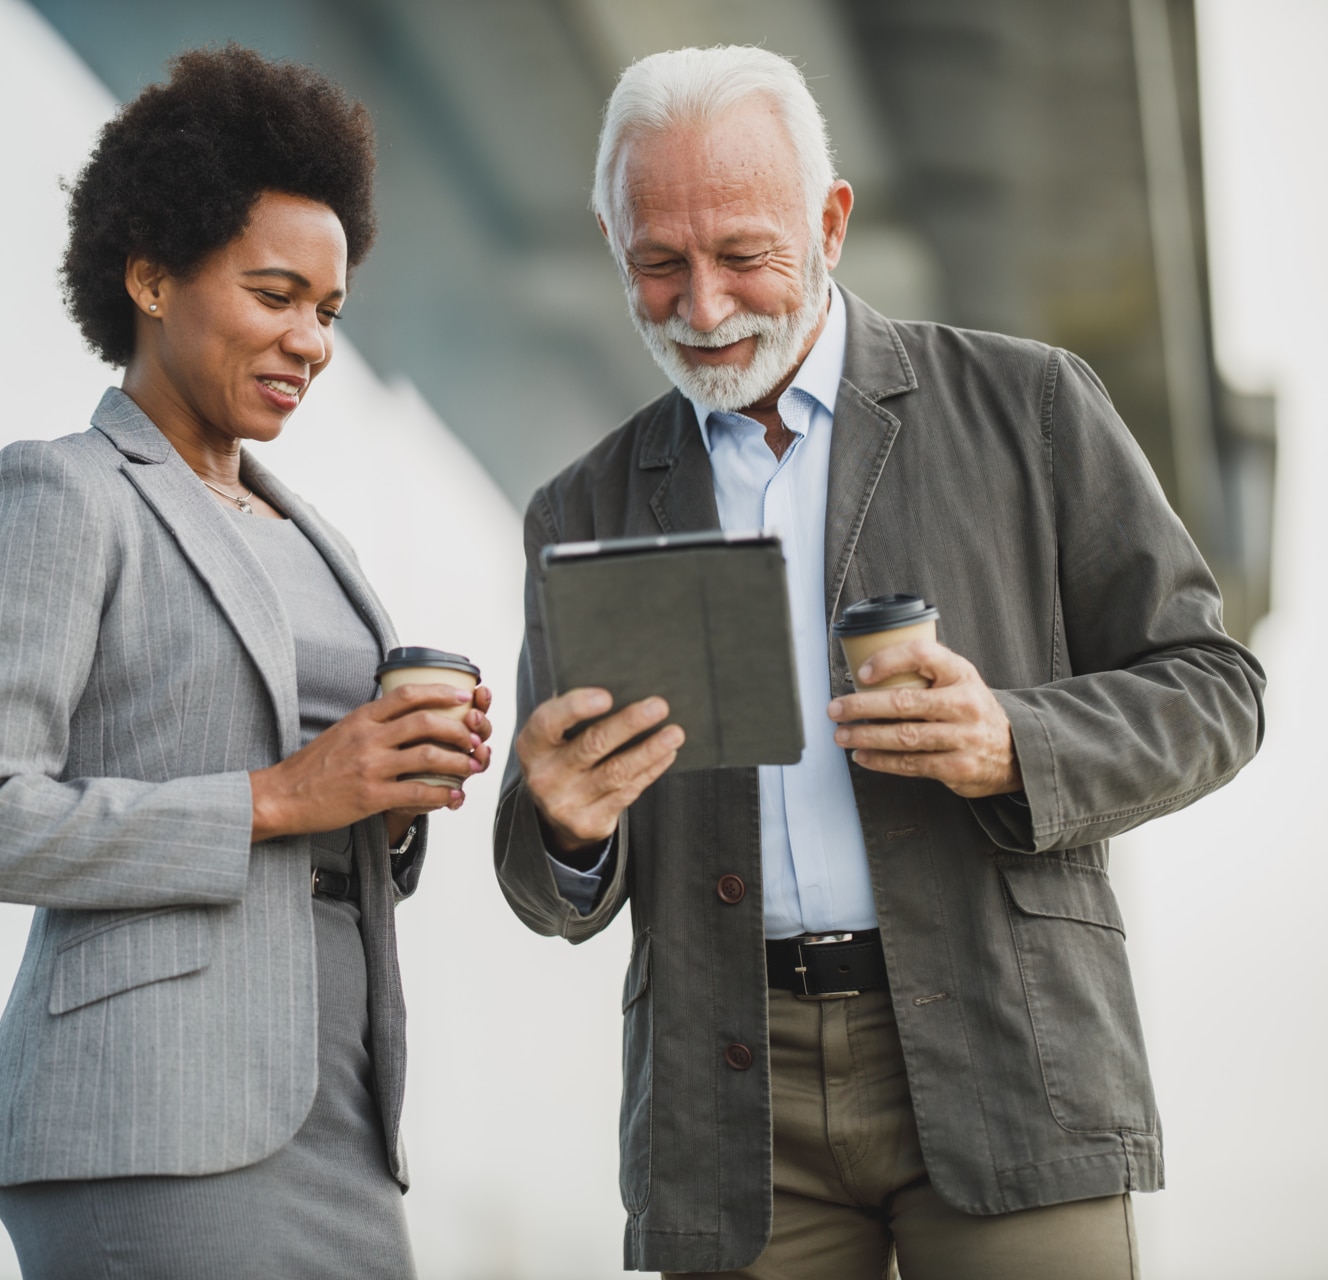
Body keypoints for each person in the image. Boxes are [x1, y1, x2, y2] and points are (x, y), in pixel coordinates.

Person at [492, 45, 1264, 1280]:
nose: (702, 308)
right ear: (608, 241)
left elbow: (1215, 687)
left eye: (744, 255)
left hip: (1014, 1054)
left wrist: (1017, 741)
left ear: (833, 221)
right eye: (657, 263)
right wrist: (567, 830)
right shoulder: (577, 509)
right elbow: (547, 877)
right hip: (729, 1104)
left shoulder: (1037, 405)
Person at [0, 46, 493, 1280]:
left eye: (328, 311)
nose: (312, 340)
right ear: (153, 275)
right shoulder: (60, 494)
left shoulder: (310, 534)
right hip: (149, 1114)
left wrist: (389, 798)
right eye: (276, 294)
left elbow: (331, 810)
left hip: (332, 1102)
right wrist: (284, 795)